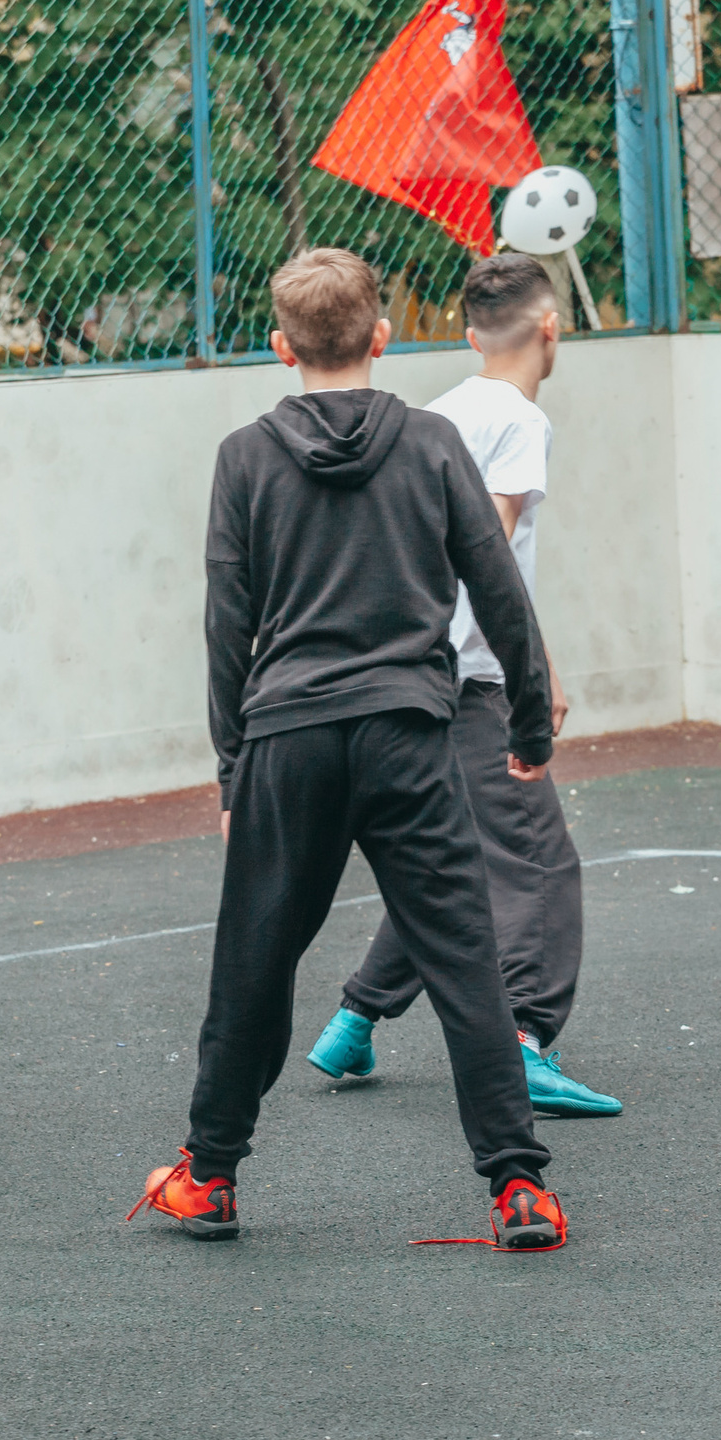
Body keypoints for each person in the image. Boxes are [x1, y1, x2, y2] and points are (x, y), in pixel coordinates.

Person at [130, 247, 566, 1247]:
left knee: (253, 959)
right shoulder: (434, 443)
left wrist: (232, 768)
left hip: (287, 739)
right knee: (464, 962)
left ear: (280, 347)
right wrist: (530, 722)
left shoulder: (244, 456)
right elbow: (498, 587)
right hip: (409, 734)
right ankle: (519, 1188)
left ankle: (210, 1176)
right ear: (382, 336)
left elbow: (227, 624)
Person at [304, 252, 620, 1118]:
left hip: (402, 672)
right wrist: (531, 675)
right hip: (469, 679)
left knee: (447, 858)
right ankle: (524, 1043)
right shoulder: (518, 419)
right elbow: (488, 557)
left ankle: (354, 1020)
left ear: (473, 335)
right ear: (551, 327)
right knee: (538, 861)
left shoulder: (434, 414)